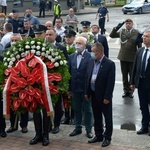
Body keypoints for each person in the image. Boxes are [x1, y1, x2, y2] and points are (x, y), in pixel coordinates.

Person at [85, 42, 115, 147]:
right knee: (96, 116)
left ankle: (107, 137)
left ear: (100, 52)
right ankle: (98, 135)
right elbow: (88, 77)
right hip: (93, 94)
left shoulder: (109, 64)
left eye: (93, 52)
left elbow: (110, 83)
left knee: (107, 117)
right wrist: (87, 92)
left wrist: (107, 97)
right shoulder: (90, 61)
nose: (91, 54)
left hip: (104, 96)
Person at [110, 18, 142, 98]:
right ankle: (125, 90)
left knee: (131, 75)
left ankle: (131, 91)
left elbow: (139, 46)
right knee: (124, 75)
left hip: (132, 57)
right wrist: (116, 28)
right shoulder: (122, 32)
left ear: (132, 24)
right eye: (126, 23)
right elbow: (112, 35)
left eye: (129, 23)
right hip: (123, 56)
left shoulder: (136, 32)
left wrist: (139, 57)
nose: (128, 25)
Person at [69, 36, 93, 139]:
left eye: (80, 43)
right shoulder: (71, 57)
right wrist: (69, 89)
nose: (77, 45)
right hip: (75, 88)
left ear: (85, 45)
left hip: (85, 89)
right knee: (77, 109)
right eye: (76, 43)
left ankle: (88, 129)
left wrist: (89, 90)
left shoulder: (90, 57)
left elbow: (91, 73)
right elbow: (69, 73)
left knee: (87, 110)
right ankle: (77, 127)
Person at [30, 24, 50, 146]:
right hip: (33, 84)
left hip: (46, 84)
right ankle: (38, 134)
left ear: (44, 34)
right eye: (36, 34)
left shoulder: (49, 48)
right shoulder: (30, 47)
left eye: (40, 34)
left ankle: (46, 135)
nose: (37, 36)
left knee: (45, 110)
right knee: (35, 110)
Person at [5, 34, 29, 134]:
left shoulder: (25, 53)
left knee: (23, 103)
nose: (13, 42)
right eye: (12, 40)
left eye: (16, 40)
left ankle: (24, 125)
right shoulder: (5, 52)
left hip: (23, 80)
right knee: (12, 104)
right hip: (10, 81)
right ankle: (13, 125)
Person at [45, 28, 68, 133]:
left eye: (50, 34)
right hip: (45, 80)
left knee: (57, 105)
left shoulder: (61, 47)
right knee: (46, 105)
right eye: (47, 34)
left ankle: (57, 124)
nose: (48, 36)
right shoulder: (42, 47)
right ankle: (48, 124)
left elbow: (66, 64)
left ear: (55, 36)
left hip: (57, 81)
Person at [130, 30, 150, 135]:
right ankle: (145, 126)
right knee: (143, 106)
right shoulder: (140, 51)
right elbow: (135, 67)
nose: (144, 38)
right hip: (141, 83)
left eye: (147, 36)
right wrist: (132, 82)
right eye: (143, 36)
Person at [61, 28, 76, 125]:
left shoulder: (76, 47)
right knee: (65, 97)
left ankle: (73, 116)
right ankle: (66, 116)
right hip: (64, 75)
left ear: (74, 37)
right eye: (66, 37)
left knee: (73, 97)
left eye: (69, 37)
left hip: (74, 75)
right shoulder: (62, 47)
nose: (67, 39)